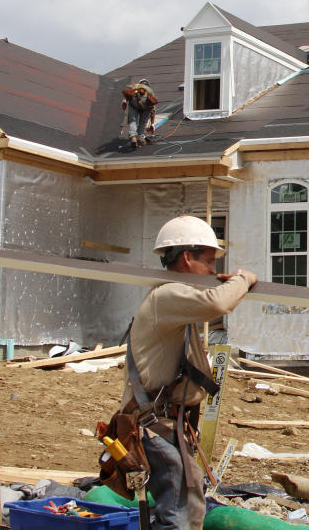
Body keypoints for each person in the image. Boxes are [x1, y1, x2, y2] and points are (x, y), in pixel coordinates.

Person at [121, 216, 257, 530]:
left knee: (185, 511)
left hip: (164, 426)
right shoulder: (166, 295)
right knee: (180, 519)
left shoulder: (175, 298)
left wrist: (224, 286)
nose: (212, 270)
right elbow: (218, 305)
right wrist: (244, 278)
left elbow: (211, 301)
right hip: (156, 428)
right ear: (186, 258)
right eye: (208, 262)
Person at [121, 78, 158, 149]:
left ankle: (133, 137)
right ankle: (141, 137)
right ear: (148, 85)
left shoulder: (135, 87)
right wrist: (152, 123)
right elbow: (153, 108)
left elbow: (127, 94)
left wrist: (124, 100)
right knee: (143, 122)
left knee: (132, 121)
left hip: (133, 103)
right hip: (145, 104)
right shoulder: (150, 90)